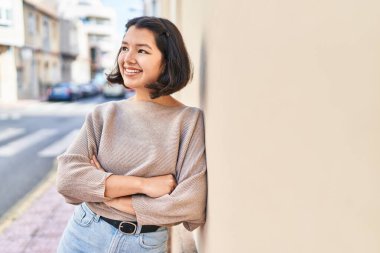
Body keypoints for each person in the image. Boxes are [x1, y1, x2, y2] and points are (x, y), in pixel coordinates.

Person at [56, 16, 207, 253]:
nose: (127, 58)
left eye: (142, 50)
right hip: (84, 234)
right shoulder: (104, 114)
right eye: (125, 48)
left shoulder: (188, 121)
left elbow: (190, 205)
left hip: (144, 244)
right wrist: (144, 185)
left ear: (167, 62)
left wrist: (109, 195)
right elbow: (67, 179)